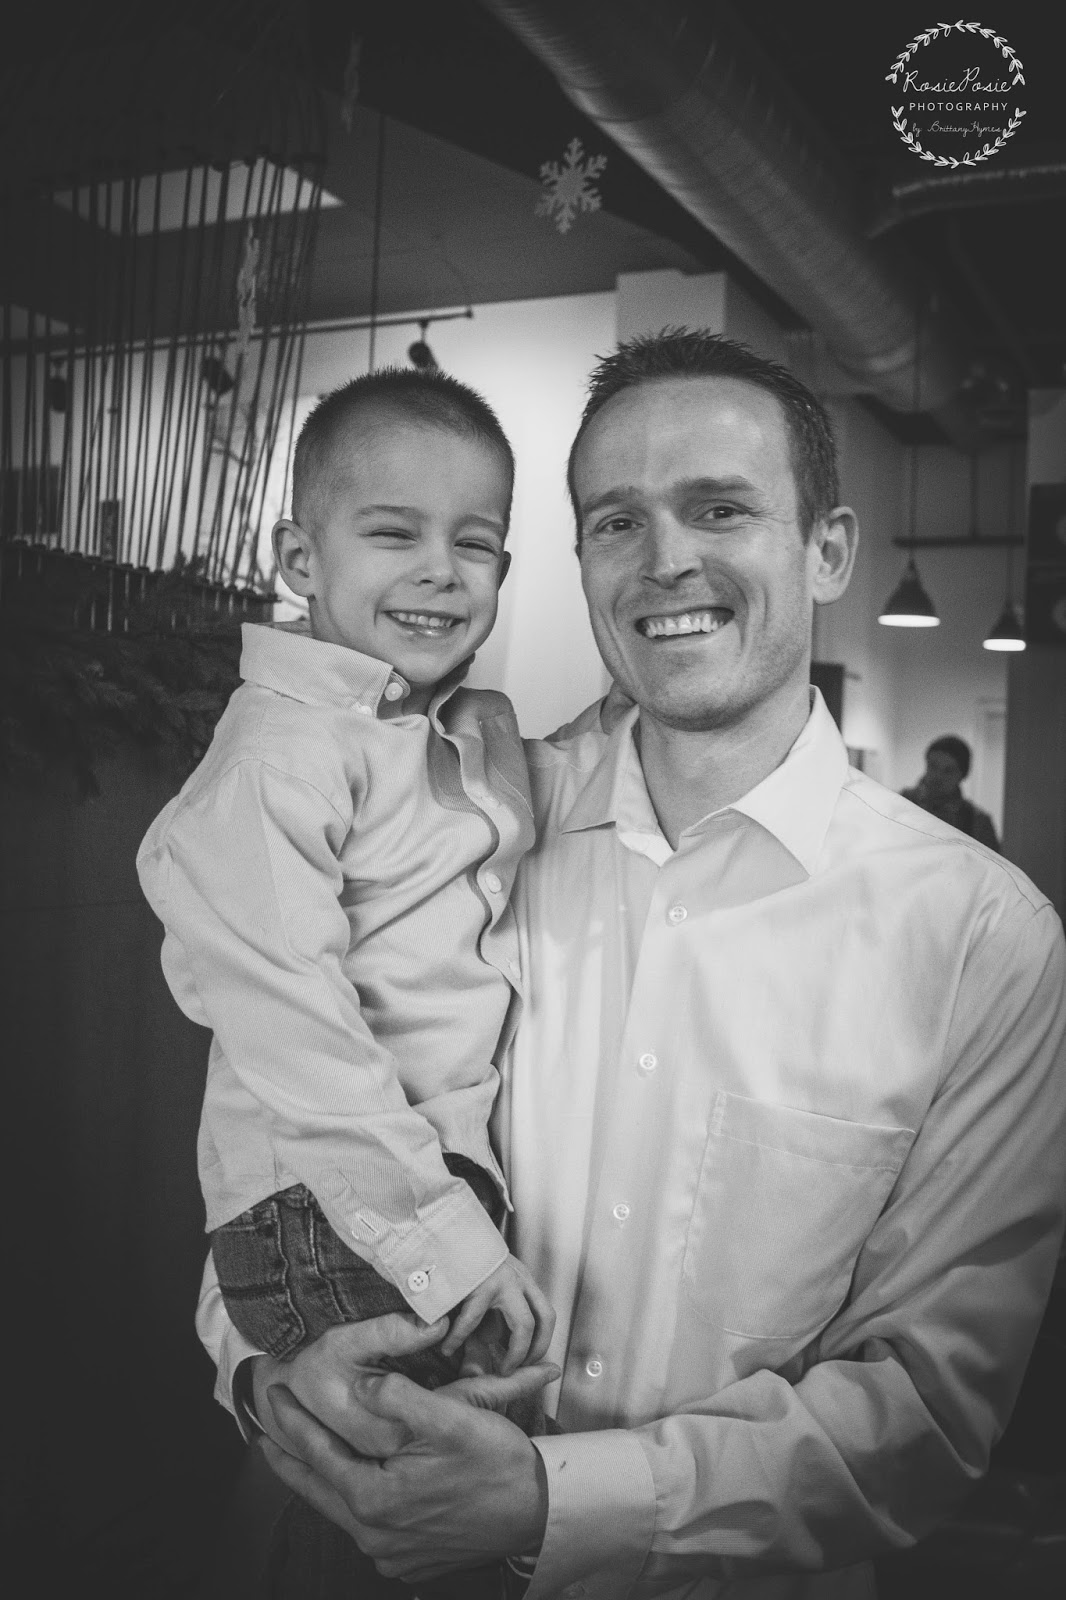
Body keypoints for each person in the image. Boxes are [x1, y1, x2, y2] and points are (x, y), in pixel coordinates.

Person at [199, 332, 1066, 1600]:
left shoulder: (981, 938)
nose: (665, 560)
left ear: (826, 548)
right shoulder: (468, 814)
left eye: (719, 508)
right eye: (617, 520)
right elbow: (278, 1110)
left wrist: (549, 1503)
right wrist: (270, 1374)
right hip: (349, 1538)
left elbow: (926, 1409)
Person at [138, 367, 558, 1584]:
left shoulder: (409, 734)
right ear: (298, 557)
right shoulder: (278, 754)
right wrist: (450, 1246)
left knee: (410, 1519)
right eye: (392, 533)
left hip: (400, 1185)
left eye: (473, 543)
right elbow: (301, 1041)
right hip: (347, 1198)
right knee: (362, 1519)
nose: (441, 570)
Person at [902, 735, 1000, 850]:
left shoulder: (977, 822)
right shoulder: (901, 803)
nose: (938, 776)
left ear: (962, 775)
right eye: (933, 766)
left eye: (948, 771)